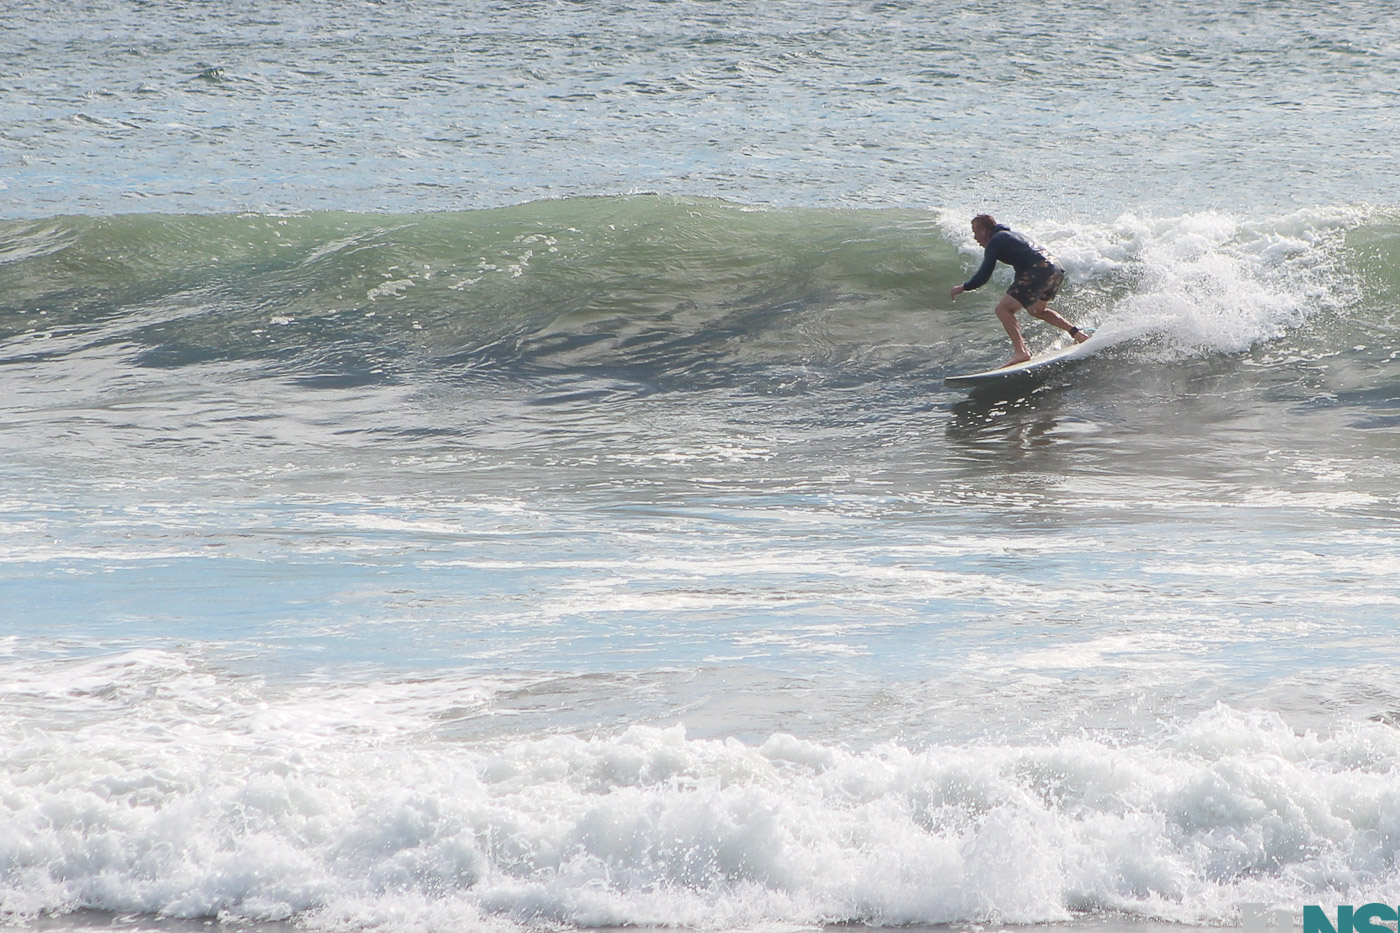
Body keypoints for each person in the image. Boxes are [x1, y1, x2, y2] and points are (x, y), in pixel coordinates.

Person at [949, 214, 1090, 367]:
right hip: (1055, 269)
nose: (975, 238)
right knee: (1037, 310)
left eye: (975, 232)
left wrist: (964, 287)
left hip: (1040, 269)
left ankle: (1021, 352)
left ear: (984, 231)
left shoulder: (995, 240)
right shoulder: (1010, 236)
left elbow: (984, 274)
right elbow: (1023, 264)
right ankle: (1078, 334)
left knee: (1002, 309)